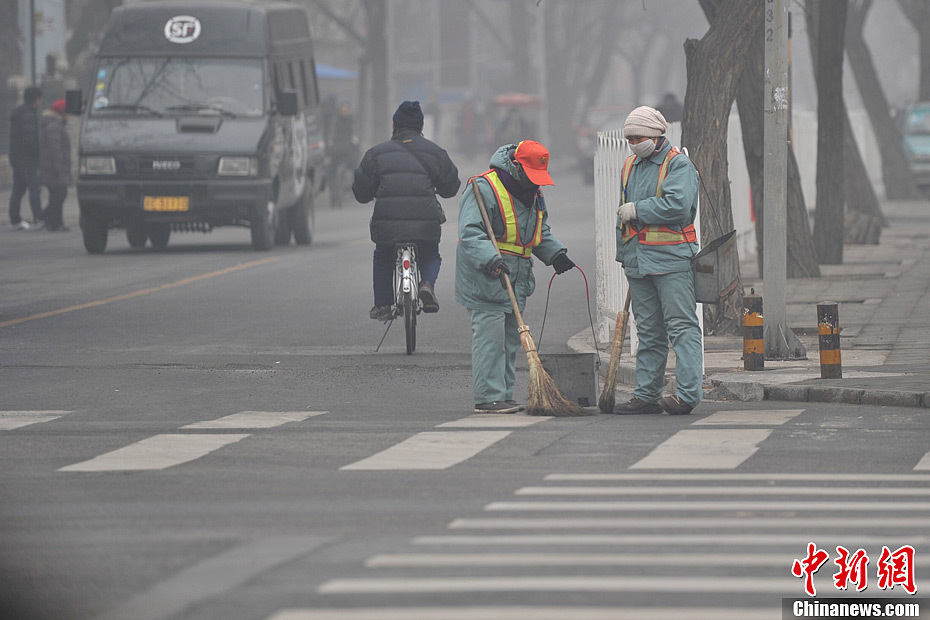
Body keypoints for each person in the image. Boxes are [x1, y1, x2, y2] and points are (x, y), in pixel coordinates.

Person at [455, 140, 575, 414]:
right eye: (531, 176)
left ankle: (503, 395)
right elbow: (471, 233)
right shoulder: (484, 188)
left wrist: (556, 254)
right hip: (486, 275)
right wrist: (491, 260)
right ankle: (488, 398)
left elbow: (538, 231)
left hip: (517, 276)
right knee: (490, 339)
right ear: (517, 167)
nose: (536, 183)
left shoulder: (533, 192)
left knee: (510, 340)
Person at [614, 106, 703, 415]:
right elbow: (622, 217)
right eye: (629, 139)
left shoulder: (678, 164)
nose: (633, 143)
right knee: (649, 330)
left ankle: (688, 395)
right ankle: (647, 395)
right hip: (638, 260)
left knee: (681, 326)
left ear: (654, 135)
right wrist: (624, 256)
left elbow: (677, 206)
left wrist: (639, 210)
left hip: (672, 260)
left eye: (637, 137)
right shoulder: (629, 165)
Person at [353, 100, 461, 320]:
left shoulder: (376, 154)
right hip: (425, 223)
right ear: (421, 127)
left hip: (387, 225)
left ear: (394, 125)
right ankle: (426, 284)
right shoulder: (435, 153)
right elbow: (451, 187)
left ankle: (383, 306)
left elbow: (361, 192)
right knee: (430, 254)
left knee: (383, 256)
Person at [8, 86, 44, 231]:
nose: (40, 102)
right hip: (26, 158)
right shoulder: (29, 114)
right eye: (40, 99)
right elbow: (30, 139)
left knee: (18, 188)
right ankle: (39, 218)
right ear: (36, 99)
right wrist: (37, 155)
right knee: (34, 187)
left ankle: (15, 219)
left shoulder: (20, 112)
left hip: (17, 156)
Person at [38, 99, 72, 232]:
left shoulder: (56, 125)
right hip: (54, 169)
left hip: (52, 169)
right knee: (59, 195)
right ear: (61, 113)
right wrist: (59, 168)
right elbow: (55, 149)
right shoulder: (54, 127)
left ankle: (55, 223)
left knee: (57, 196)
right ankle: (45, 218)